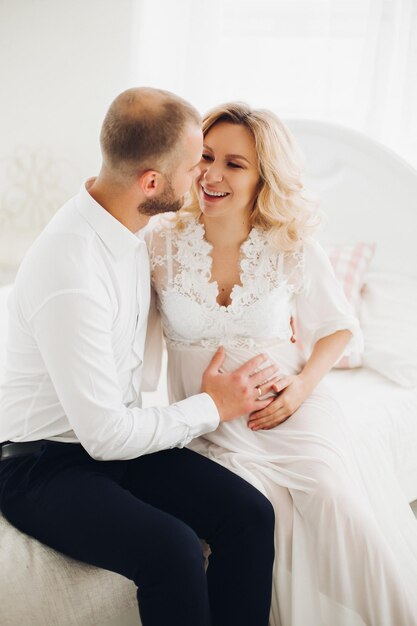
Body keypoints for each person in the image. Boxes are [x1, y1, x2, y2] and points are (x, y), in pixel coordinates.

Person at [0, 88, 279, 626]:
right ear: (152, 183)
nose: (203, 174)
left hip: (110, 447)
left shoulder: (129, 224)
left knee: (249, 514)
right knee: (172, 550)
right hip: (42, 466)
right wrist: (210, 406)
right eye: (194, 162)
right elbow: (105, 436)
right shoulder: (72, 270)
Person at [146, 102, 417, 626]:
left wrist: (299, 389)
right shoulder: (160, 241)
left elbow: (339, 329)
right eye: (205, 156)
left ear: (263, 178)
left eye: (235, 163)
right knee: (265, 511)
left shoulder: (290, 243)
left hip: (291, 411)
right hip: (210, 422)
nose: (213, 174)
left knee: (336, 502)